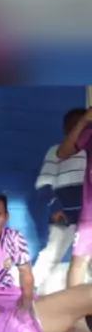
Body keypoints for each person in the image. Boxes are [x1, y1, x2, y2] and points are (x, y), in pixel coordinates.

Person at [33, 109, 86, 294]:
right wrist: (55, 207)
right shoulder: (56, 152)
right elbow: (43, 183)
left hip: (88, 215)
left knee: (86, 257)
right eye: (76, 126)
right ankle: (30, 292)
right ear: (67, 130)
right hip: (65, 214)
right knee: (52, 254)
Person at [56, 107, 92, 289]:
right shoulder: (89, 133)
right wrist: (84, 121)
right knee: (79, 263)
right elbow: (62, 152)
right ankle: (72, 304)